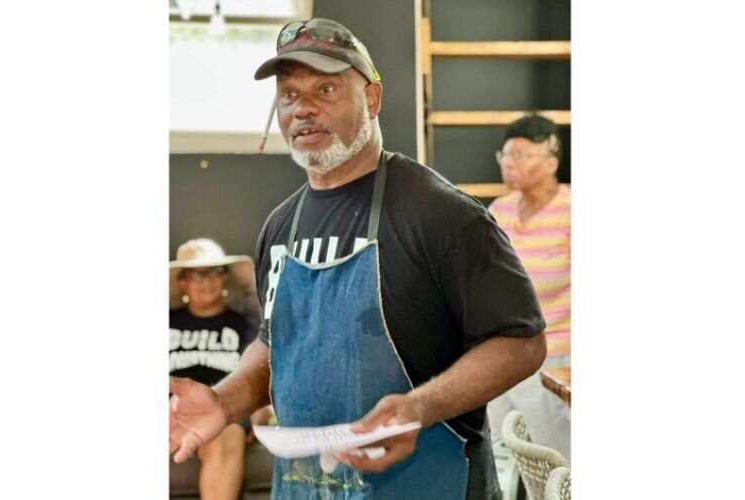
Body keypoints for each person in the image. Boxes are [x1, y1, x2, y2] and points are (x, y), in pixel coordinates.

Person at [169, 18, 547, 500]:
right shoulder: (280, 228)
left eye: (325, 88)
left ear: (372, 98)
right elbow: (274, 345)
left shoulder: (442, 214)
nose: (302, 108)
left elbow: (522, 342)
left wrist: (418, 407)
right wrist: (223, 402)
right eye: (288, 95)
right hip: (308, 488)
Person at [486, 114, 572, 460]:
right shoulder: (500, 211)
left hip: (555, 357)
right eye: (505, 155)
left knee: (554, 459)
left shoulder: (572, 210)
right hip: (503, 354)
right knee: (494, 451)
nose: (509, 163)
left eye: (521, 156)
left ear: (551, 162)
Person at [169, 238, 270, 499]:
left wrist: (259, 409)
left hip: (225, 409)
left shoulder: (248, 325)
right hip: (169, 407)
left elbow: (261, 371)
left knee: (223, 431)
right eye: (198, 274)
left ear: (225, 280)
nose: (208, 280)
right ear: (183, 283)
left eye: (216, 272)